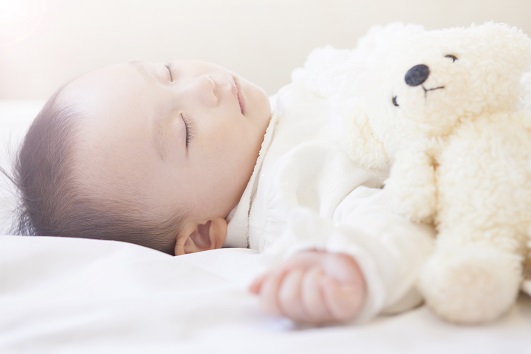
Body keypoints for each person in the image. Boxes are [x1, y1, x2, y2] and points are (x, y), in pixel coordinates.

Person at [13, 59, 434, 325]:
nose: (202, 87)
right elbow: (394, 227)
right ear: (200, 235)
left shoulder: (281, 110)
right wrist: (358, 270)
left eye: (168, 72)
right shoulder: (288, 192)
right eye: (184, 129)